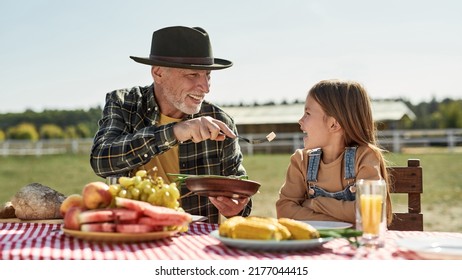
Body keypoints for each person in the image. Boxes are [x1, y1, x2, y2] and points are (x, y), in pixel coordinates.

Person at [90, 26, 251, 224]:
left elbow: (240, 194)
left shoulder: (220, 121)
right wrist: (176, 132)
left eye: (207, 75)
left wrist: (237, 206)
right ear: (158, 73)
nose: (206, 88)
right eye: (193, 75)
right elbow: (101, 161)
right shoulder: (124, 103)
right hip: (131, 231)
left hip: (194, 243)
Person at [276, 79, 393, 225]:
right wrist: (344, 221)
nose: (300, 120)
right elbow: (285, 211)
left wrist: (315, 204)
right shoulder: (301, 160)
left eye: (307, 113)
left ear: (333, 124)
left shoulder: (365, 157)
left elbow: (370, 212)